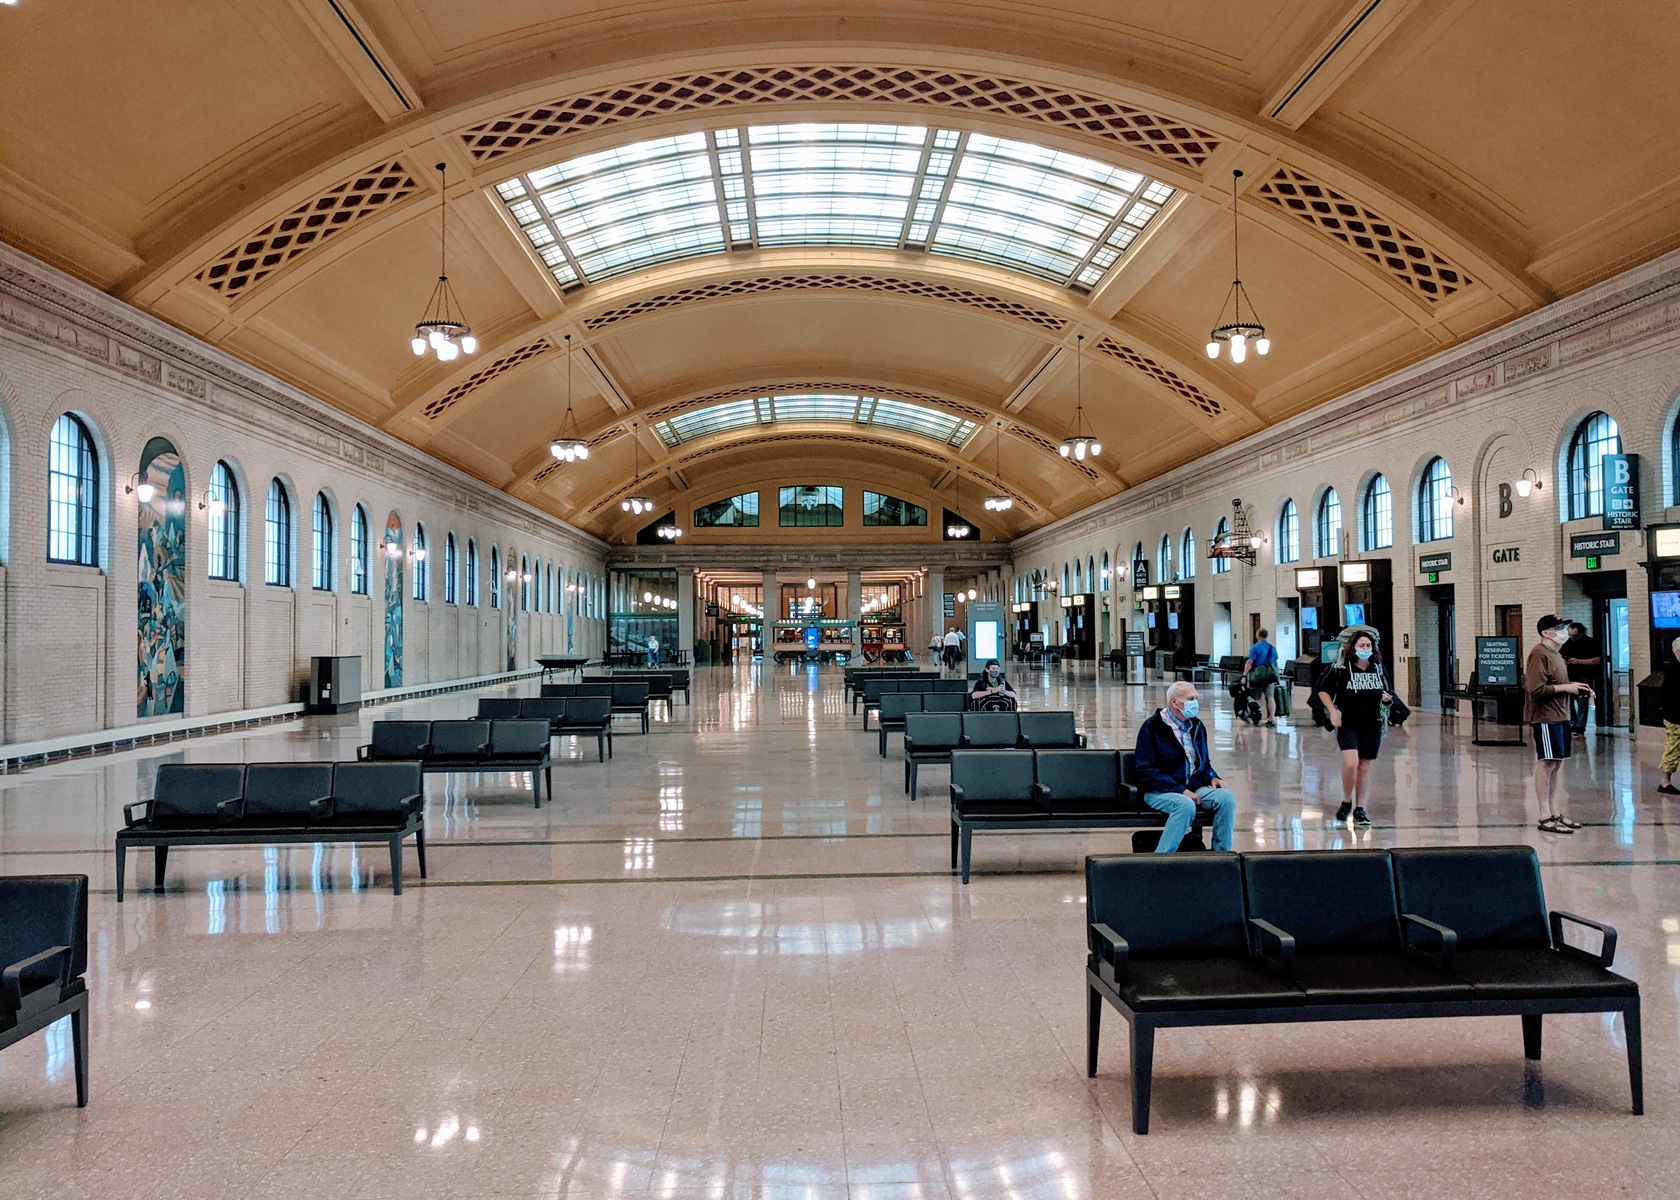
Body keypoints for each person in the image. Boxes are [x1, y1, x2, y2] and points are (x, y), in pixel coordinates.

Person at [1134, 681, 1236, 853]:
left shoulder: (1196, 726)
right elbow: (1144, 769)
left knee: (1226, 798)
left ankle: (1222, 856)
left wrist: (1213, 776)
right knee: (1185, 805)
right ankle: (1162, 860)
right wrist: (1181, 790)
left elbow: (1204, 762)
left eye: (1196, 698)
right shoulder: (1152, 727)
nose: (1195, 702)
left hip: (1193, 786)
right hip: (1160, 790)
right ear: (1175, 702)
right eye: (1191, 698)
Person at [1316, 632, 1392, 826]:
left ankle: (1359, 808)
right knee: (1351, 762)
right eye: (1362, 645)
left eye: (1368, 645)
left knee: (1364, 766)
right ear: (1353, 647)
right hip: (1348, 722)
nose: (1365, 649)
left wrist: (1387, 700)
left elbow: (1388, 693)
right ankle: (1345, 799)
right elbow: (1323, 691)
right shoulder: (1342, 668)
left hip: (1372, 723)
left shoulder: (1378, 669)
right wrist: (1333, 711)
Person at [1526, 614, 1590, 833]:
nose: (1564, 630)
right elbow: (1535, 689)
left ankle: (1553, 811)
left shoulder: (1556, 654)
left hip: (1561, 716)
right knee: (1546, 763)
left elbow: (1557, 682)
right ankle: (1544, 814)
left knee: (1556, 763)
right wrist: (1566, 688)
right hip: (1546, 718)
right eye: (1559, 627)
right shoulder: (1539, 654)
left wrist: (1575, 685)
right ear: (1547, 633)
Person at [1560, 621, 1603, 734]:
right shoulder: (1568, 643)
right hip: (1570, 677)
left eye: (1574, 636)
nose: (1572, 638)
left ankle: (1580, 726)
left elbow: (1597, 660)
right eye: (1570, 635)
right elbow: (1561, 654)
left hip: (1585, 677)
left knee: (1582, 702)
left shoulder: (1590, 643)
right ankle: (1573, 723)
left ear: (1580, 634)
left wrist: (1578, 661)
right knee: (1569, 702)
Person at [1242, 628, 1280, 725]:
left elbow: (1249, 663)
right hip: (1270, 676)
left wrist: (1244, 675)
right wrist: (1277, 676)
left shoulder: (1255, 648)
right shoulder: (1272, 648)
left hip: (1258, 676)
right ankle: (1272, 718)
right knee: (1270, 697)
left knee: (1255, 696)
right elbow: (1275, 663)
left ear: (1258, 635)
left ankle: (1256, 715)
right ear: (1266, 636)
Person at [1659, 636, 1680, 796]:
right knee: (1673, 747)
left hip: (1674, 714)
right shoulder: (1674, 670)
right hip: (1675, 717)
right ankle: (1665, 782)